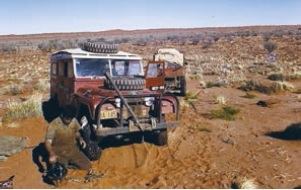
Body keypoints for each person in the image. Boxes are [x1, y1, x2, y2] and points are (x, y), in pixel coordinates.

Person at [44, 105, 91, 171]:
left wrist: (80, 139)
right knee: (60, 171)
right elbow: (48, 142)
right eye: (67, 119)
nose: (69, 121)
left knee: (87, 165)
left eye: (71, 119)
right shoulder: (53, 125)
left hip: (73, 150)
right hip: (60, 153)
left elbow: (76, 133)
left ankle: (70, 166)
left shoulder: (74, 121)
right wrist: (52, 154)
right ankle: (63, 166)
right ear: (62, 115)